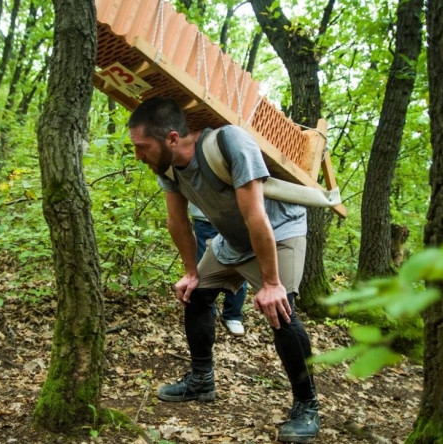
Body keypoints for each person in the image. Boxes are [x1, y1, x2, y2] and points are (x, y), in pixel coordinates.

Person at [128, 97, 320, 443]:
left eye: (143, 147)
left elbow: (256, 216)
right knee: (195, 294)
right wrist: (191, 271)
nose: (138, 156)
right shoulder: (168, 167)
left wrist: (272, 282)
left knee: (282, 312)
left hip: (278, 233)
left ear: (172, 138)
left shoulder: (229, 142)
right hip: (231, 240)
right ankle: (202, 381)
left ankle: (307, 404)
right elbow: (178, 222)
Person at [190, 202, 248, 336]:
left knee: (238, 263)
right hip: (204, 217)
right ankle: (208, 312)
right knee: (204, 267)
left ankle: (233, 315)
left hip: (236, 216)